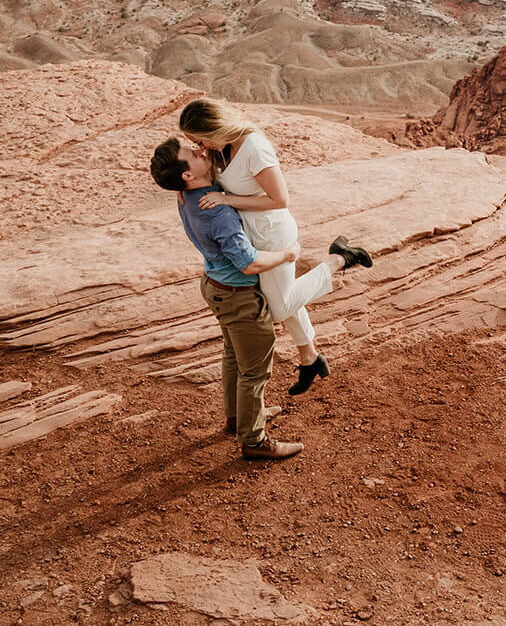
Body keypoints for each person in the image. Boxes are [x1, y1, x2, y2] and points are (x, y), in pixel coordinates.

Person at [150, 138, 372, 460]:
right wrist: (287, 254)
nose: (200, 151)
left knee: (233, 356)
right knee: (254, 371)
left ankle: (238, 419)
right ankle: (254, 441)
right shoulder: (217, 214)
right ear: (186, 175)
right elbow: (249, 262)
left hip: (215, 287)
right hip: (239, 296)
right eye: (192, 152)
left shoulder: (185, 197)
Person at [179, 98, 370, 395]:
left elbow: (280, 199)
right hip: (251, 237)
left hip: (272, 235)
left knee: (279, 308)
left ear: (213, 128)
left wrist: (228, 200)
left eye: (199, 139)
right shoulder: (223, 147)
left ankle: (338, 259)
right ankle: (310, 358)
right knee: (285, 295)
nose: (199, 146)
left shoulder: (254, 147)